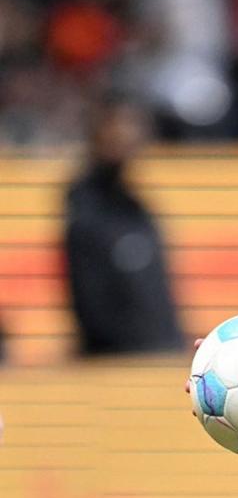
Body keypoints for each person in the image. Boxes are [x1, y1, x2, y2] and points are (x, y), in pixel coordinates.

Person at [65, 96, 184, 355]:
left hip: (157, 351)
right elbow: (91, 301)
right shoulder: (87, 209)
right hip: (119, 359)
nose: (129, 135)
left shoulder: (135, 206)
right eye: (119, 125)